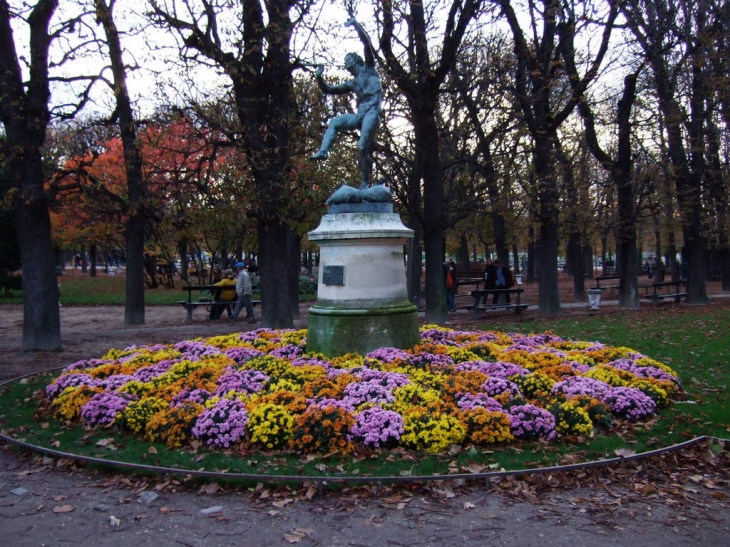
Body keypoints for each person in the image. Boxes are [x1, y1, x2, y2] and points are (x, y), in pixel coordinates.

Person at [309, 14, 382, 190]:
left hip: (372, 113)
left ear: (356, 60)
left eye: (347, 60)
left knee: (362, 146)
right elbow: (329, 90)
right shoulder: (352, 83)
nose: (345, 64)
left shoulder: (369, 69)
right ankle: (323, 151)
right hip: (360, 115)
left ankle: (365, 181)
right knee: (334, 122)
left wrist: (356, 24)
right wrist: (319, 77)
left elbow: (367, 44)